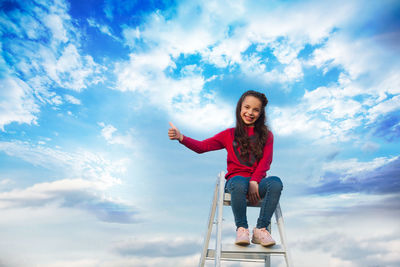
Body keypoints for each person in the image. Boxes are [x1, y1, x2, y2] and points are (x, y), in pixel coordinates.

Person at [168, 90, 283, 247]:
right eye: (247, 107)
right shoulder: (229, 134)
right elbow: (203, 146)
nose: (250, 112)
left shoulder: (267, 135)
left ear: (261, 113)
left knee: (276, 182)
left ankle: (261, 229)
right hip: (236, 183)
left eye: (255, 110)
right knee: (238, 182)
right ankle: (242, 228)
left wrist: (255, 180)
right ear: (239, 108)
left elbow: (266, 161)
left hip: (256, 184)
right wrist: (181, 137)